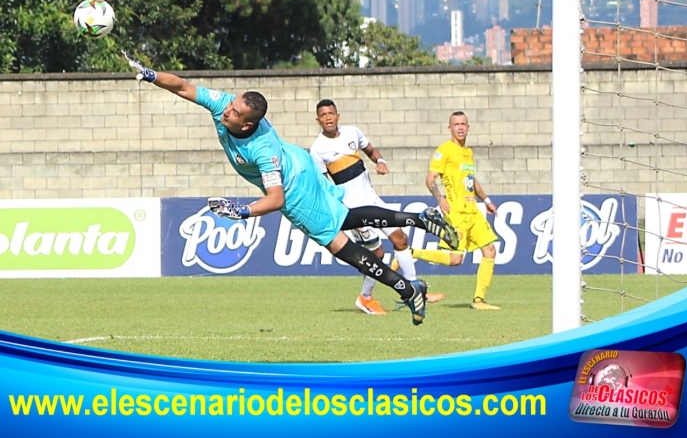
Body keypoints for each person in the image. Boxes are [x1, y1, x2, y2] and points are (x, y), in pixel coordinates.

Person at [124, 53, 460, 325]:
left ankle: (406, 289)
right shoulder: (223, 105)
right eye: (231, 104)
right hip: (299, 162)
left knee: (342, 247)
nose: (226, 109)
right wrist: (151, 75)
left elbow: (276, 199)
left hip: (295, 187)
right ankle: (420, 220)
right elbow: (183, 86)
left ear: (247, 124)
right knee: (346, 218)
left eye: (235, 111)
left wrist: (242, 211)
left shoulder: (261, 149)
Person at [309, 99, 444, 316]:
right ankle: (366, 298)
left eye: (331, 113)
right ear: (318, 120)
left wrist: (380, 161)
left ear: (338, 116)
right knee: (377, 254)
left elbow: (371, 150)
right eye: (323, 115)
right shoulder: (317, 150)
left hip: (373, 201)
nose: (328, 118)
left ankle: (415, 289)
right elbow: (325, 188)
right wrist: (345, 216)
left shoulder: (352, 133)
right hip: (354, 211)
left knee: (400, 239)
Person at [391, 111, 500, 310]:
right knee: (455, 260)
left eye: (463, 124)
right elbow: (430, 178)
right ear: (449, 128)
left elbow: (471, 181)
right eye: (456, 124)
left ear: (468, 127)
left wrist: (486, 200)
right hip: (456, 213)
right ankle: (411, 253)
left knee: (490, 250)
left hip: (473, 211)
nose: (460, 127)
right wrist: (439, 198)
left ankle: (479, 300)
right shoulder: (444, 150)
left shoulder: (468, 153)